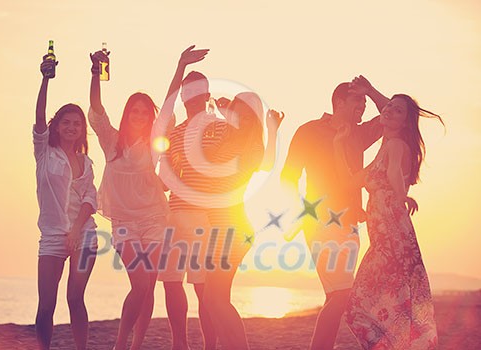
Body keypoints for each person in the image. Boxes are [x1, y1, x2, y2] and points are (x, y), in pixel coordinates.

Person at [280, 77, 388, 349]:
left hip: (351, 225)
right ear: (339, 102)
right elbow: (288, 177)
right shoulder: (309, 131)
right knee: (343, 295)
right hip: (319, 222)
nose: (363, 107)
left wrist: (371, 90)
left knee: (336, 298)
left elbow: (394, 115)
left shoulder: (359, 134)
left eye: (364, 102)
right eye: (358, 101)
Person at [335, 94, 442, 349]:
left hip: (393, 239)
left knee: (360, 303)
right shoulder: (383, 149)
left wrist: (401, 195)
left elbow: (394, 171)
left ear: (405, 123)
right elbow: (349, 181)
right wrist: (338, 144)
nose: (390, 110)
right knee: (383, 303)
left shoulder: (396, 145)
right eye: (389, 106)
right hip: (384, 241)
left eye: (398, 111)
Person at [88, 50, 170, 350]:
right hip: (124, 222)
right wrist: (95, 72)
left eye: (145, 112)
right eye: (134, 111)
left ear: (151, 116)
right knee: (140, 284)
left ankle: (136, 344)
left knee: (148, 287)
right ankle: (121, 343)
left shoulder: (153, 143)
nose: (139, 116)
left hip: (154, 218)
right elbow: (96, 108)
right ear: (127, 114)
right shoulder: (110, 139)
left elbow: (170, 101)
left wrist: (179, 66)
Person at [203, 92, 284, 350]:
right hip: (220, 227)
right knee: (214, 298)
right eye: (239, 111)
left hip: (233, 228)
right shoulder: (226, 136)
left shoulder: (250, 145)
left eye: (248, 114)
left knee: (215, 299)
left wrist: (272, 131)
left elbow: (268, 162)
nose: (242, 118)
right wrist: (225, 109)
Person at [156, 45, 224, 350]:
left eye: (196, 96)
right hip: (175, 215)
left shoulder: (220, 128)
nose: (190, 101)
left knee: (203, 288)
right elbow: (166, 179)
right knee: (172, 282)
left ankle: (210, 344)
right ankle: (179, 344)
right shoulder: (175, 133)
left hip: (203, 219)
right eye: (187, 96)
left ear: (206, 96)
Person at [33, 56, 98, 350]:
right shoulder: (44, 152)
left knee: (75, 298)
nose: (72, 127)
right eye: (66, 122)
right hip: (52, 235)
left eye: (77, 124)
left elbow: (89, 199)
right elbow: (39, 116)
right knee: (47, 304)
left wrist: (76, 231)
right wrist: (46, 79)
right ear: (56, 126)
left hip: (85, 235)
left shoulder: (86, 162)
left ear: (82, 130)